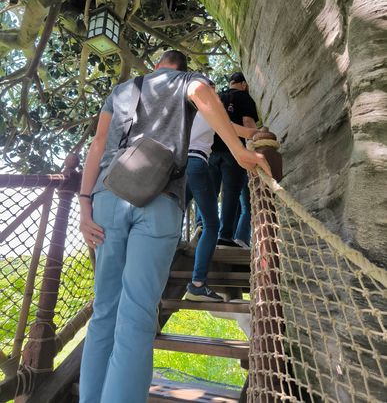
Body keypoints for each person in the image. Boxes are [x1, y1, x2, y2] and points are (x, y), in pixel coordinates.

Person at [78, 51, 271, 403]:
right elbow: (201, 94)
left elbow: (98, 144)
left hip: (107, 196)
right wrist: (239, 151)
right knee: (137, 315)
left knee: (104, 310)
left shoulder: (121, 90)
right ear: (182, 68)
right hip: (160, 198)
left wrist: (84, 204)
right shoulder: (187, 81)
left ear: (156, 67)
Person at [185, 82, 257, 301]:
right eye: (214, 92)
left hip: (177, 165)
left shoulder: (184, 111)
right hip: (197, 162)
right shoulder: (209, 109)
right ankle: (197, 283)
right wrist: (256, 133)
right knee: (212, 224)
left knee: (174, 214)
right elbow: (236, 129)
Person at [209, 72, 259, 246]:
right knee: (231, 194)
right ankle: (224, 235)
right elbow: (248, 123)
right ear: (244, 84)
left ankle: (206, 231)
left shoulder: (217, 97)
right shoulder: (244, 98)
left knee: (211, 194)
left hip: (210, 152)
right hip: (232, 151)